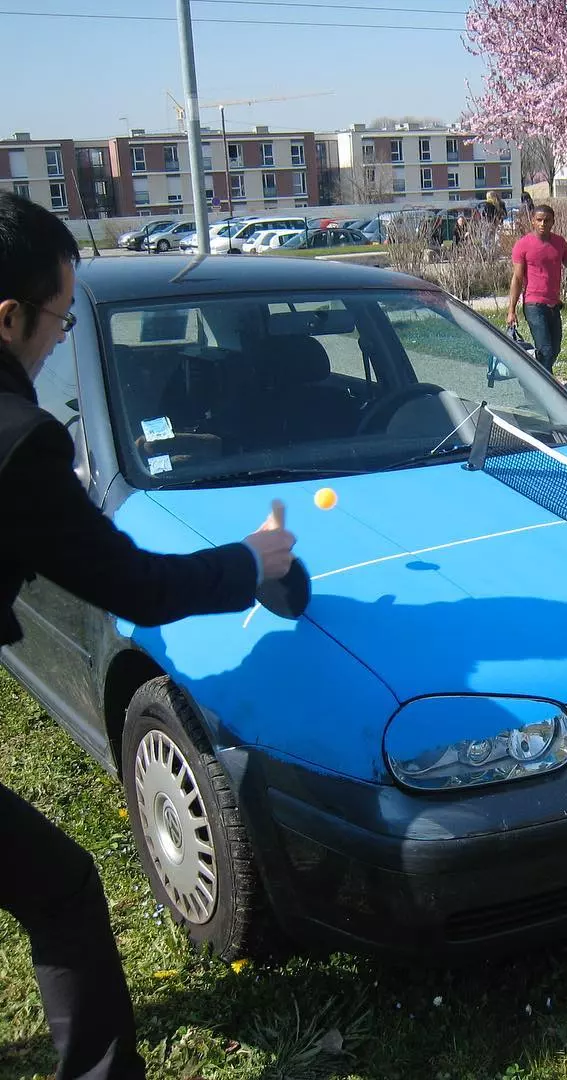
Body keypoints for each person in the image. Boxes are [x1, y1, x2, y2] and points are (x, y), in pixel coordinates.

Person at [0, 191, 297, 1078]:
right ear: (8, 316)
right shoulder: (20, 445)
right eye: (58, 316)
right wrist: (252, 561)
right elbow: (132, 583)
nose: (60, 339)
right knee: (59, 888)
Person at [506, 204, 567, 373]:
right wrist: (511, 310)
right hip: (533, 304)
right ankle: (545, 392)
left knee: (555, 349)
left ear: (553, 222)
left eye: (547, 220)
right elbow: (517, 278)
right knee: (545, 350)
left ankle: (533, 381)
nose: (543, 224)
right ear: (533, 222)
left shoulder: (559, 243)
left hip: (553, 305)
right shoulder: (523, 245)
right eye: (539, 220)